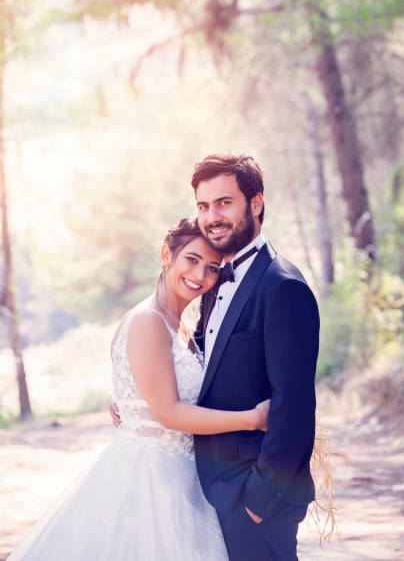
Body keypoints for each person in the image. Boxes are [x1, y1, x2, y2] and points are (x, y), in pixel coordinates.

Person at [8, 217, 270, 561]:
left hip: (183, 475)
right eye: (191, 260)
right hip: (151, 480)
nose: (201, 276)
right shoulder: (149, 321)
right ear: (166, 255)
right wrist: (252, 419)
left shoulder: (181, 327)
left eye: (212, 268)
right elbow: (168, 413)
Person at [190, 154, 320, 561]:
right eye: (203, 206)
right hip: (213, 490)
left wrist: (260, 501)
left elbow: (294, 406)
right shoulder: (213, 281)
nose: (213, 217)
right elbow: (202, 370)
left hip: (257, 496)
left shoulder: (282, 287)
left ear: (256, 203)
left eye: (224, 203)